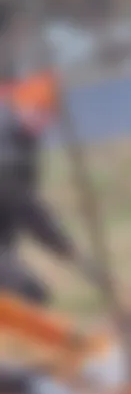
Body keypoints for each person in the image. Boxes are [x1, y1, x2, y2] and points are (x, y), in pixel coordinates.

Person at [0, 70, 97, 304]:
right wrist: (67, 251)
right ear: (19, 106)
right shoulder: (8, 148)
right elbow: (27, 208)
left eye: (47, 114)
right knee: (27, 294)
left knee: (27, 296)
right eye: (37, 111)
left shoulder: (23, 142)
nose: (42, 120)